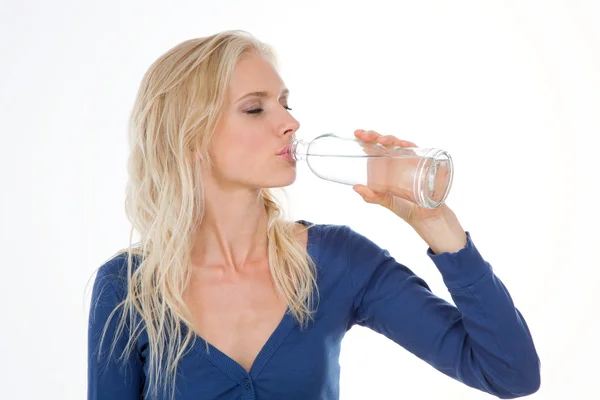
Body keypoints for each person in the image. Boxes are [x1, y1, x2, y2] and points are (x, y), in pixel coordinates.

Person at [87, 30, 541, 400]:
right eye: (255, 107)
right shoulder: (128, 290)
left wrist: (434, 223)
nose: (290, 122)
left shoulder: (336, 260)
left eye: (285, 102)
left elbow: (510, 373)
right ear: (189, 137)